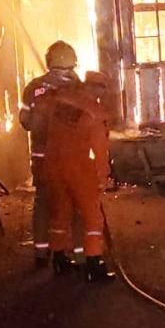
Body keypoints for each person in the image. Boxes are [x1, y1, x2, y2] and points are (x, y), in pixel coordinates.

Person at [43, 71, 116, 283]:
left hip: (53, 166)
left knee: (61, 214)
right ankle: (94, 265)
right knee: (93, 218)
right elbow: (100, 150)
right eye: (102, 89)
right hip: (78, 168)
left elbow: (47, 129)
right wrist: (102, 177)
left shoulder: (61, 102)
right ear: (97, 88)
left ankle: (59, 260)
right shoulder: (95, 112)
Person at [19, 41, 84, 268]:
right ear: (72, 61)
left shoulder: (33, 87)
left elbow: (25, 122)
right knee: (74, 203)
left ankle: (41, 252)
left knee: (44, 202)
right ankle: (76, 253)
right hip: (70, 159)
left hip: (41, 157)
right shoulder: (78, 88)